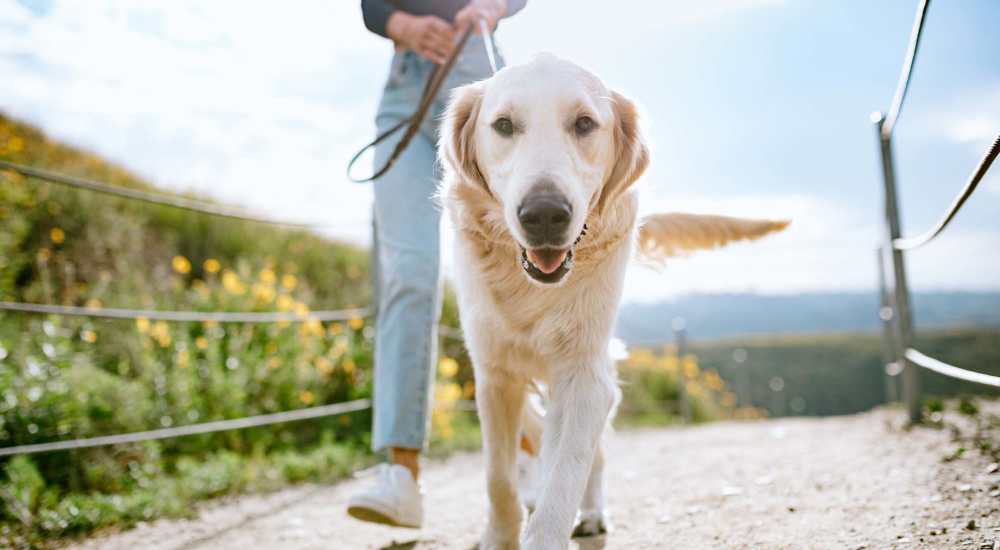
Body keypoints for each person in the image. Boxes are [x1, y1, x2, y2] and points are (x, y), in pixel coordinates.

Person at [348, 0, 529, 529]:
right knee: (407, 272)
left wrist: (489, 9)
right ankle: (401, 475)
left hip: (476, 70)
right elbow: (372, 5)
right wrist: (402, 25)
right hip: (404, 87)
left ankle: (531, 448)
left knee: (509, 265)